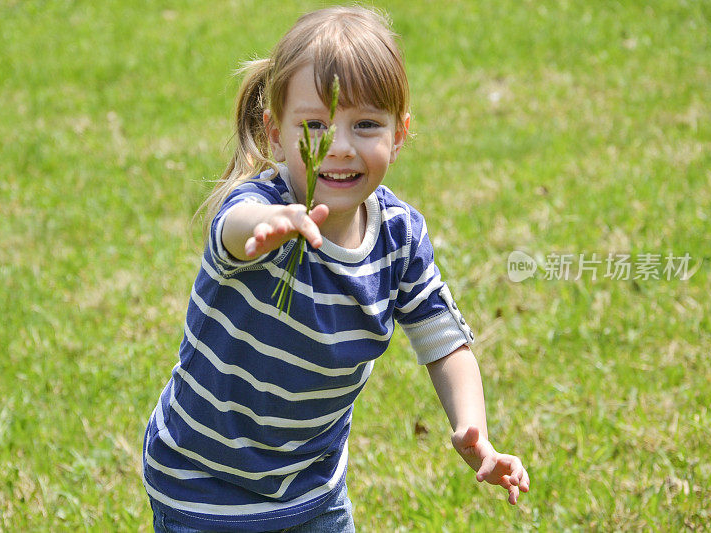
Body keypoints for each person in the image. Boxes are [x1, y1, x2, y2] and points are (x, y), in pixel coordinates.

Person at [142, 6, 529, 532]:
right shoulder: (261, 207)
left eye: (366, 124)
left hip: (312, 487)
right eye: (316, 126)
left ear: (400, 133)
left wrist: (472, 428)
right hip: (203, 482)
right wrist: (271, 223)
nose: (340, 147)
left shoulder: (400, 237)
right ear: (275, 133)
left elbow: (445, 341)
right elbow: (232, 227)